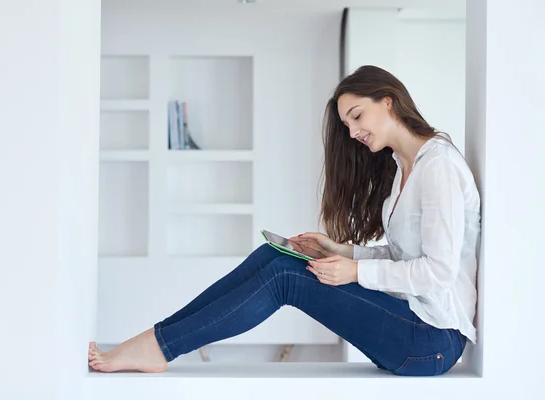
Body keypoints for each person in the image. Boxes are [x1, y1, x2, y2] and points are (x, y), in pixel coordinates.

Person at [88, 65, 481, 377]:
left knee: (284, 278)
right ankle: (156, 340)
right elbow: (401, 255)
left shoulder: (439, 166)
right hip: (410, 325)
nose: (354, 131)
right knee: (271, 258)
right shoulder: (403, 168)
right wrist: (341, 251)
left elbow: (438, 272)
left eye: (357, 115)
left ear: (389, 101)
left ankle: (158, 347)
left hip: (431, 341)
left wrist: (354, 272)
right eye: (347, 125)